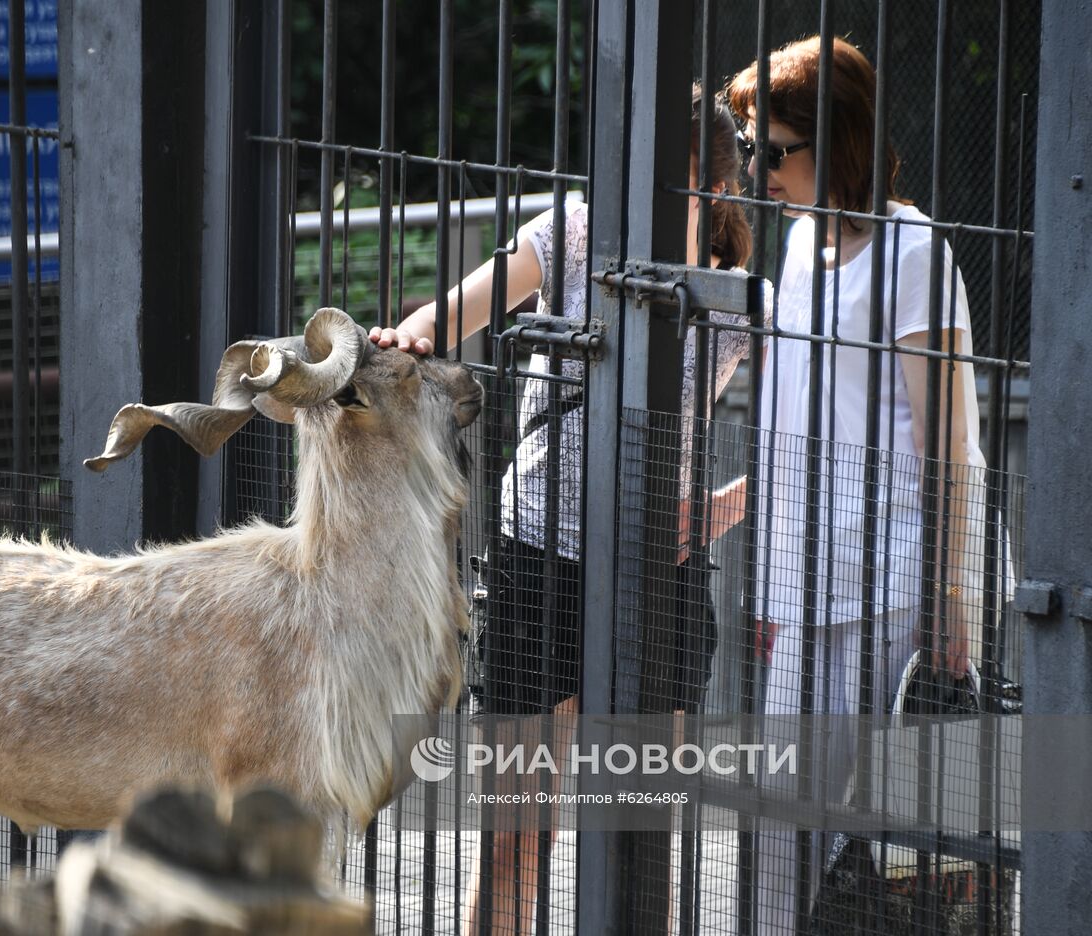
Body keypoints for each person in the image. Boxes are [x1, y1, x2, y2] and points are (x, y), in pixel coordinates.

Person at [371, 84, 767, 935]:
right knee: (517, 833)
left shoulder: (734, 299)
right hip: (537, 557)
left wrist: (721, 508)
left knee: (636, 835)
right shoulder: (577, 228)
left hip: (656, 577)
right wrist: (411, 338)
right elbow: (462, 306)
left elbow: (806, 434)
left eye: (669, 181)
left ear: (712, 190)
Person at [728, 35, 999, 934]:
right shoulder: (800, 244)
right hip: (804, 575)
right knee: (775, 824)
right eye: (746, 147)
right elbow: (795, 417)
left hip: (892, 581)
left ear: (834, 140)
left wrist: (950, 594)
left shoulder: (913, 249)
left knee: (894, 842)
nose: (755, 167)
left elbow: (946, 439)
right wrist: (761, 551)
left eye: (773, 149)